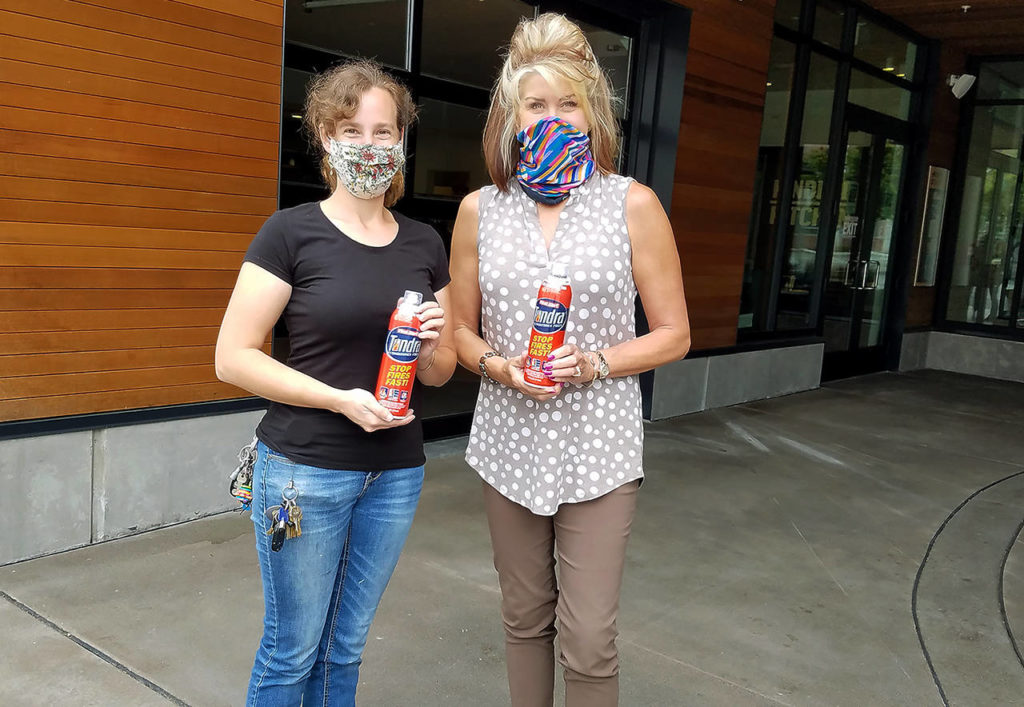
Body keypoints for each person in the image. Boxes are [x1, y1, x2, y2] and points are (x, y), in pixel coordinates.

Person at [449, 13, 691, 707]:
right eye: (535, 104)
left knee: (588, 638)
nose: (551, 117)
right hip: (508, 441)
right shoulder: (479, 211)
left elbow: (674, 333)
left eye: (567, 103)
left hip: (599, 445)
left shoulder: (633, 204)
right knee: (524, 621)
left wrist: (595, 363)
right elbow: (463, 333)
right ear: (513, 117)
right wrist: (499, 366)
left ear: (592, 111)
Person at [215, 59, 455, 706]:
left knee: (345, 646)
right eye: (352, 129)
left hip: (396, 473)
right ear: (325, 136)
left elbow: (440, 369)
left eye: (383, 131)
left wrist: (434, 341)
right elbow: (232, 357)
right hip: (302, 470)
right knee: (292, 649)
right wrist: (337, 399)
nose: (369, 146)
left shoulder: (425, 242)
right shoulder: (291, 232)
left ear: (402, 139)